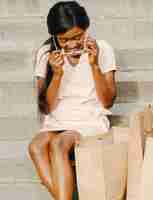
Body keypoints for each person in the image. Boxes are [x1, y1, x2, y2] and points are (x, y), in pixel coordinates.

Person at [28, 1, 117, 199]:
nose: (72, 44)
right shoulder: (45, 54)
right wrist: (57, 74)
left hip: (88, 119)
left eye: (77, 37)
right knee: (36, 146)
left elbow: (108, 101)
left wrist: (94, 66)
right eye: (63, 40)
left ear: (86, 29)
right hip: (57, 120)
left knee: (59, 145)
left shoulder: (102, 49)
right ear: (54, 36)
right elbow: (46, 107)